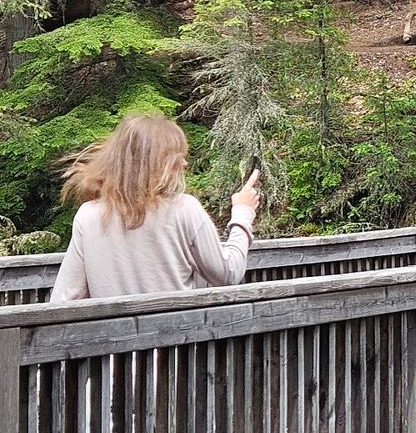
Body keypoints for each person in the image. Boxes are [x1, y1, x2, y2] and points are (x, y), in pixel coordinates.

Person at [50, 114, 261, 302]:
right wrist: (242, 214)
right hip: (177, 334)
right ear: (156, 163)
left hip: (113, 336)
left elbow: (65, 297)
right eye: (176, 156)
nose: (184, 163)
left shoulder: (88, 215)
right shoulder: (184, 209)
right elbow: (228, 274)